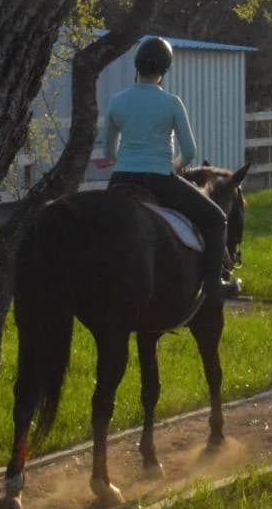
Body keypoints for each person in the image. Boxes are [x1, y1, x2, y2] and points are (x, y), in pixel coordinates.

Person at [95, 36, 231, 308]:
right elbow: (190, 151)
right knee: (216, 220)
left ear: (137, 65)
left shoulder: (117, 101)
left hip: (121, 179)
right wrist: (172, 168)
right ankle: (215, 286)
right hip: (160, 179)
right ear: (165, 70)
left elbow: (108, 152)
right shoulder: (171, 103)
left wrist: (127, 161)